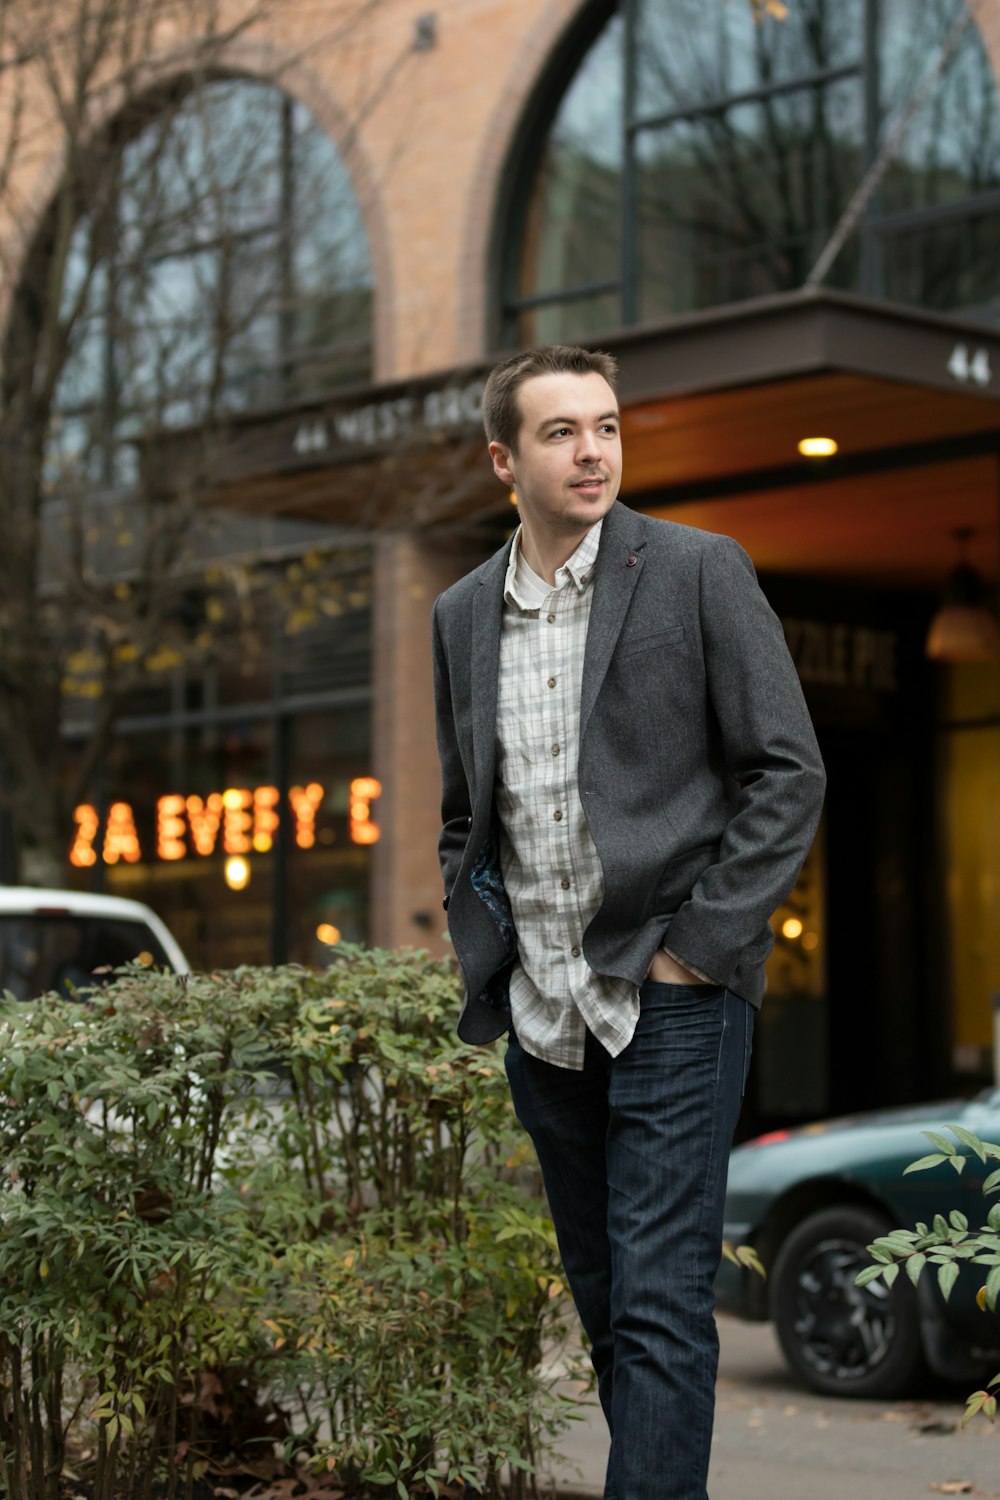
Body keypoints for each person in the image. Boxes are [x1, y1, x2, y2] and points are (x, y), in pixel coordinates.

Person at [431, 344, 825, 1500]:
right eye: (561, 432)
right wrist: (490, 963)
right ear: (504, 459)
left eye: (605, 426)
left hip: (671, 997)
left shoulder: (697, 570)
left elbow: (786, 772)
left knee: (657, 1301)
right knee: (607, 1300)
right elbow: (468, 814)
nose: (593, 449)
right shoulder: (461, 613)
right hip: (543, 1007)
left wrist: (694, 952)